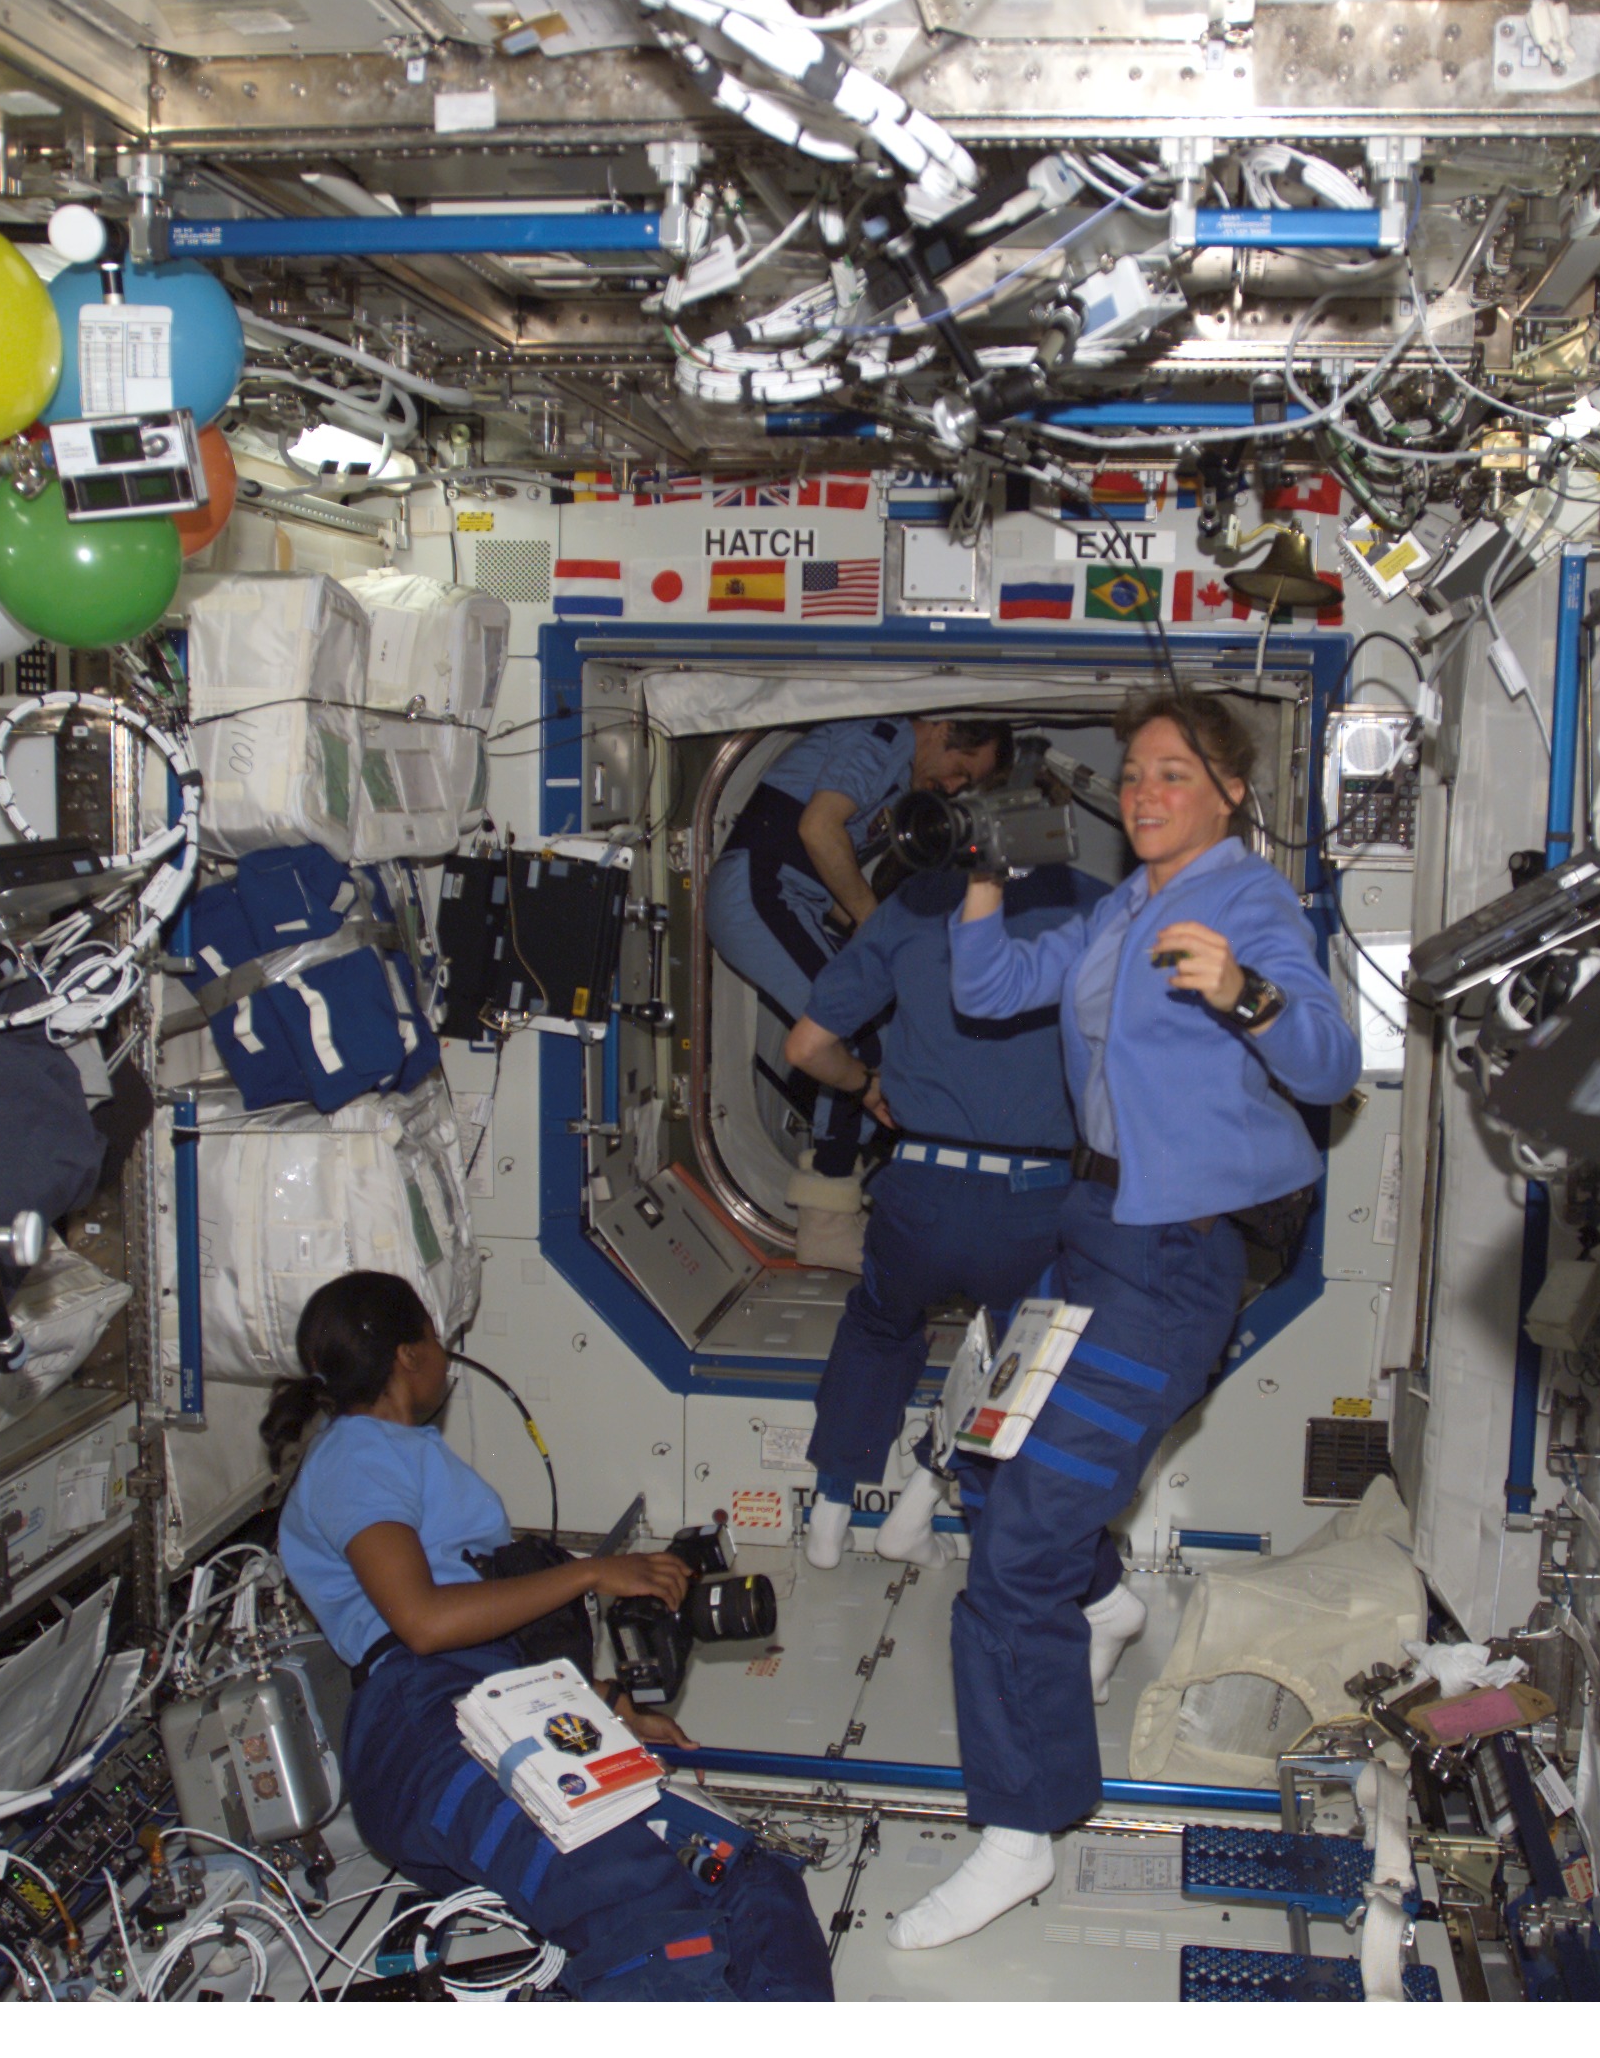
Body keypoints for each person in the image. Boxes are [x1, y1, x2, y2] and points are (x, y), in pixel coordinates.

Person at [891, 689, 1362, 1951]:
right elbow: (992, 991)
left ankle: (1018, 1832)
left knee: (1016, 1551)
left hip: (1177, 1257)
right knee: (993, 1469)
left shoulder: (1248, 904)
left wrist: (1245, 992)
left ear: (1229, 794)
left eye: (1172, 773)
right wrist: (983, 879)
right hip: (1092, 1236)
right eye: (1134, 774)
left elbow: (1327, 1061)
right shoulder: (1121, 906)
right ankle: (1105, 1606)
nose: (1144, 793)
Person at [267, 1272, 833, 2000]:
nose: (446, 1357)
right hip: (431, 1720)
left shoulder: (398, 1453)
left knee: (748, 1880)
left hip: (499, 1707)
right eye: (439, 1340)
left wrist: (604, 1709)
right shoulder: (356, 1455)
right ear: (409, 1355)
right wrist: (593, 1573)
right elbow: (426, 1622)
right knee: (651, 1919)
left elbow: (486, 1632)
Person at [780, 859, 1111, 1571]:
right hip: (1033, 1196)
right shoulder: (1099, 905)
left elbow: (804, 1047)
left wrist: (867, 1086)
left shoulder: (913, 903)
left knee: (876, 1325)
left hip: (921, 1187)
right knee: (1013, 1351)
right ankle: (923, 1498)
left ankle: (830, 1514)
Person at [708, 716, 1010, 1214]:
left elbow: (832, 878)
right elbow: (819, 830)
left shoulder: (898, 782)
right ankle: (827, 1212)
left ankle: (852, 1182)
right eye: (960, 770)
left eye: (967, 785)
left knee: (887, 1026)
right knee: (850, 1029)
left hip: (793, 897)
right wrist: (876, 928)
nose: (954, 787)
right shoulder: (879, 738)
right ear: (940, 728)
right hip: (760, 890)